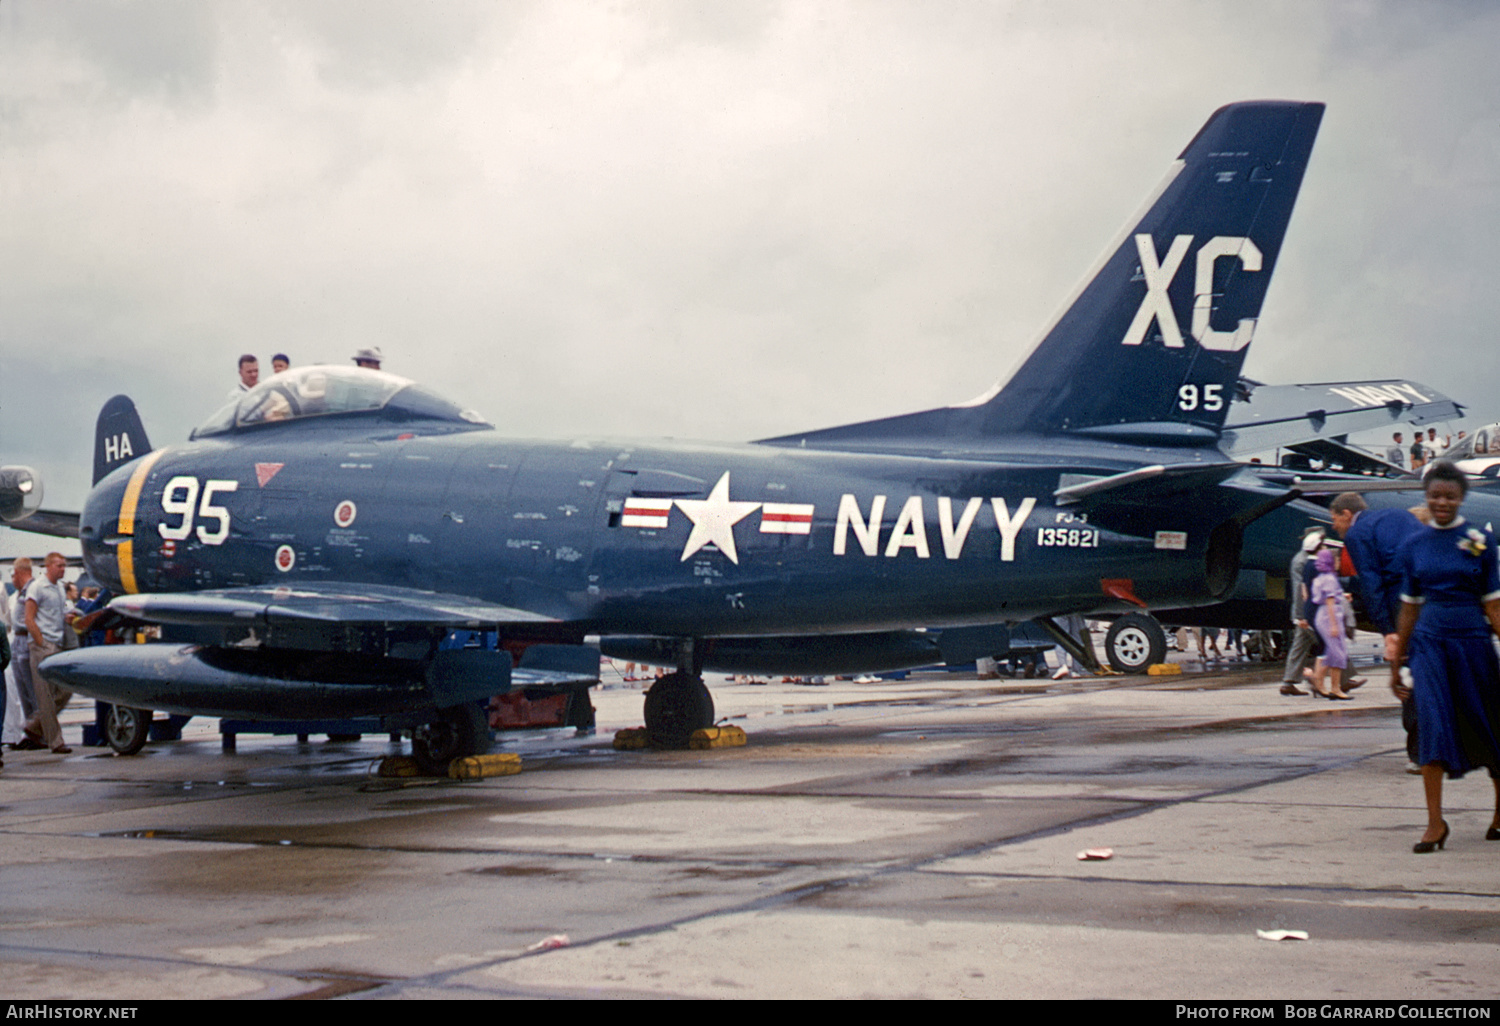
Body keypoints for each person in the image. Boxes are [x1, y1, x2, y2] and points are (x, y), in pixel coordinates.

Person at [1389, 461, 1500, 852]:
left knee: (1488, 726)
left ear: (1461, 498)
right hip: (1429, 647)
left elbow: (1494, 606)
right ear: (1426, 496)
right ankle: (1435, 823)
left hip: (1473, 645)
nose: (1441, 502)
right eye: (1435, 495)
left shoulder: (1479, 543)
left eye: (1449, 496)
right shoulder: (1413, 545)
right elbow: (1408, 607)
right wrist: (1396, 661)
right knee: (1432, 726)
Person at [24, 552, 73, 753]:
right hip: (42, 646)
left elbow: (60, 614)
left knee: (65, 691)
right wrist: (41, 642)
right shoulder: (37, 587)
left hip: (57, 645)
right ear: (49, 566)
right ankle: (56, 741)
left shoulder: (60, 588)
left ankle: (34, 726)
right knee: (45, 696)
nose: (63, 569)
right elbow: (29, 618)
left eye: (64, 565)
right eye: (60, 566)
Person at [1305, 548, 1353, 699]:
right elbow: (1330, 601)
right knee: (1337, 653)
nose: (1339, 563)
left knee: (1330, 652)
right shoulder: (1331, 579)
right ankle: (1333, 687)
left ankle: (1318, 681)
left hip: (1321, 614)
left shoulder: (1319, 578)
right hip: (1329, 615)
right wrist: (1333, 624)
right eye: (1337, 560)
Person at [1281, 529, 1324, 695]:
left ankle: (1288, 682)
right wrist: (1301, 616)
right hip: (1307, 614)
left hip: (1305, 613)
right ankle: (1343, 679)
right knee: (1331, 644)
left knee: (1299, 647)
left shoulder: (1306, 560)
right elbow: (1301, 590)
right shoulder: (1303, 562)